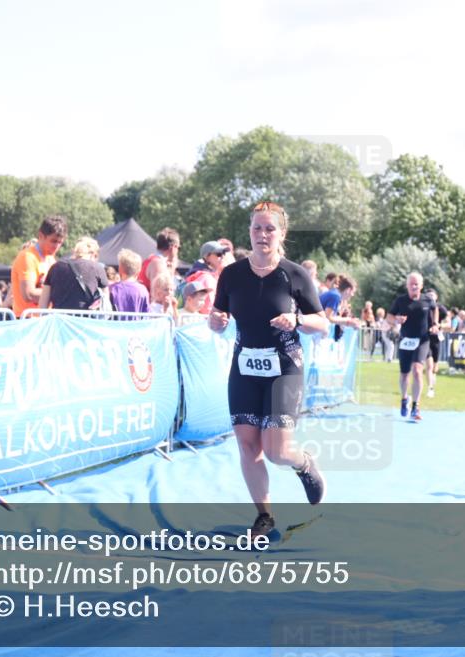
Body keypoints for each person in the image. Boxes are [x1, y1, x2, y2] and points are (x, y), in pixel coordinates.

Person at [208, 201, 329, 537]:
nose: (262, 234)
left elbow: (323, 323)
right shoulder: (232, 275)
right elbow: (217, 319)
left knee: (276, 451)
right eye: (257, 228)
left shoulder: (295, 274)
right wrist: (215, 321)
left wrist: (299, 319)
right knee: (248, 445)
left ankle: (303, 462)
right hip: (245, 367)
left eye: (269, 229)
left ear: (282, 234)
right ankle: (264, 516)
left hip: (284, 369)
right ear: (249, 231)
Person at [387, 272, 438, 421]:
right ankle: (404, 399)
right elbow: (389, 317)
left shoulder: (427, 300)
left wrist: (434, 324)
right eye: (411, 284)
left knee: (417, 370)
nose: (414, 286)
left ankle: (416, 406)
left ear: (421, 286)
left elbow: (434, 309)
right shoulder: (400, 301)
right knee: (404, 374)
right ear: (407, 285)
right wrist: (396, 319)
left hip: (422, 340)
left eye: (417, 284)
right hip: (406, 341)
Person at [10, 215, 67, 317]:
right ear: (41, 235)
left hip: (41, 320)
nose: (57, 246)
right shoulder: (27, 257)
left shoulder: (51, 259)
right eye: (53, 241)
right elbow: (29, 294)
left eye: (60, 242)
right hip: (26, 320)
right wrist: (60, 294)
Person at [39, 237, 110, 311]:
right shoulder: (97, 268)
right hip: (86, 320)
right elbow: (105, 303)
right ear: (94, 254)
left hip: (59, 319)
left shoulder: (56, 267)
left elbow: (43, 304)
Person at [138, 227, 181, 294]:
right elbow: (158, 294)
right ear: (173, 247)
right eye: (178, 248)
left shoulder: (154, 260)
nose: (178, 251)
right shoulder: (157, 263)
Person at [423, 289, 448, 398]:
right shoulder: (422, 307)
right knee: (429, 364)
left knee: (434, 367)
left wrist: (439, 326)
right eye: (428, 296)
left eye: (432, 296)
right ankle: (430, 388)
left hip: (436, 339)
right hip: (424, 339)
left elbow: (449, 324)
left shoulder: (441, 309)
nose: (430, 298)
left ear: (436, 297)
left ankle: (432, 383)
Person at [109, 249, 150, 314]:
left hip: (115, 324)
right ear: (138, 271)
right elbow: (146, 314)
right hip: (137, 324)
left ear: (120, 269)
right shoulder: (143, 290)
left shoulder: (111, 288)